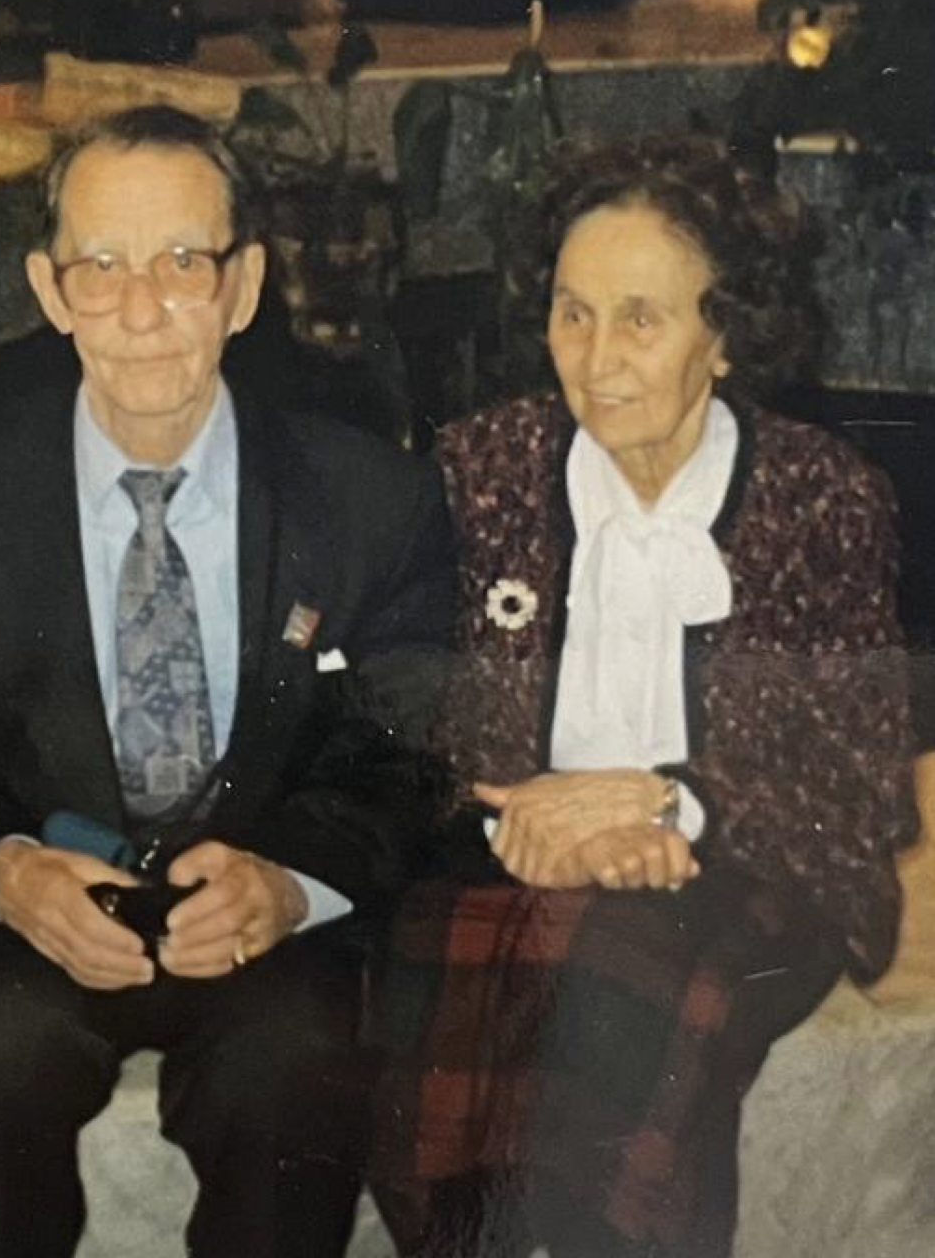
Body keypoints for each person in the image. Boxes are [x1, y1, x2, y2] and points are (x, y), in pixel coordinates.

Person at [0, 103, 457, 1258]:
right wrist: (3, 869)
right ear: (48, 288)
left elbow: (401, 749)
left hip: (261, 908)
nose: (139, 311)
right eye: (101, 266)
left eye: (181, 261)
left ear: (244, 284)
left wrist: (290, 883)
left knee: (297, 1072)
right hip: (32, 905)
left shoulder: (367, 498)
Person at [368, 136, 918, 1258]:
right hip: (509, 855)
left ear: (724, 335)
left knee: (624, 979)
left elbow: (859, 783)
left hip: (753, 866)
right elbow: (405, 702)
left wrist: (675, 803)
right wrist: (524, 817)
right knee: (467, 980)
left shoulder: (822, 497)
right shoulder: (479, 469)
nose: (597, 357)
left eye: (640, 319)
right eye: (572, 313)